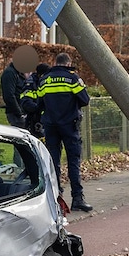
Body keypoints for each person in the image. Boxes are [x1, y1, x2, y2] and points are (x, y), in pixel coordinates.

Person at [37, 53, 93, 212]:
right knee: (73, 162)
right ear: (68, 64)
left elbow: (39, 102)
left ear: (55, 62)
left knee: (53, 162)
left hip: (51, 126)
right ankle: (77, 198)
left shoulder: (45, 79)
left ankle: (55, 198)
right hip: (69, 125)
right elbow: (85, 100)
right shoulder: (72, 78)